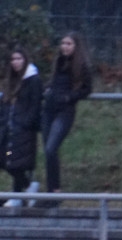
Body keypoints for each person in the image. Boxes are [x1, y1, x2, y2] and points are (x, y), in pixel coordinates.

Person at [39, 31, 92, 206]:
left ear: (76, 46)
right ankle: (51, 193)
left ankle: (55, 192)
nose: (65, 47)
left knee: (51, 149)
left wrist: (70, 97)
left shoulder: (82, 66)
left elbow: (86, 89)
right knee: (49, 152)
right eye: (63, 43)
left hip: (65, 111)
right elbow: (53, 82)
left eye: (68, 44)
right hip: (49, 109)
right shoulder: (58, 61)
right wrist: (46, 90)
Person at [0, 47, 43, 206]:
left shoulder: (33, 80)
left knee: (16, 162)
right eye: (13, 59)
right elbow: (4, 103)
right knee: (6, 159)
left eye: (18, 59)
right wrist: (1, 120)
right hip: (8, 128)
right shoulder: (11, 81)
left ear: (25, 60)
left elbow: (35, 104)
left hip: (23, 130)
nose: (15, 62)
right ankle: (26, 188)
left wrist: (26, 123)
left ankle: (20, 192)